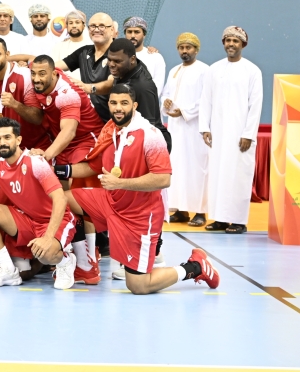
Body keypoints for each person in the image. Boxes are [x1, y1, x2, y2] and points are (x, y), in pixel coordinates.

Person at [66, 85, 220, 294]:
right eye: (113, 103)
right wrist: (55, 169)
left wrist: (120, 183)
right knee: (61, 198)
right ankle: (85, 264)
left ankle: (196, 267)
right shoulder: (110, 129)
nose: (118, 108)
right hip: (111, 203)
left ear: (134, 105)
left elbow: (163, 178)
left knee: (138, 285)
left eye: (124, 103)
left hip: (140, 216)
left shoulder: (150, 135)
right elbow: (93, 166)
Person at [0, 118, 78, 289]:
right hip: (27, 220)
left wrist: (47, 237)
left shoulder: (35, 162)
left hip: (54, 220)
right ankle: (8, 270)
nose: (2, 142)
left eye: (7, 137)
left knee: (45, 255)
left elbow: (60, 199)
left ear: (18, 140)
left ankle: (65, 261)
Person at [198, 26, 263, 234]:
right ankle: (219, 218)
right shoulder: (214, 69)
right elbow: (205, 100)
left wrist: (248, 134)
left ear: (243, 44)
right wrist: (204, 128)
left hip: (240, 135)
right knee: (217, 175)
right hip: (217, 133)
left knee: (238, 176)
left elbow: (255, 105)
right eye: (228, 40)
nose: (231, 44)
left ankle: (238, 221)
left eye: (235, 41)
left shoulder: (252, 71)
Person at [161, 33, 210, 226]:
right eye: (181, 47)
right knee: (178, 168)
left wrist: (184, 111)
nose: (184, 51)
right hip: (175, 128)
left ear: (196, 50)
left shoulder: (204, 70)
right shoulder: (174, 70)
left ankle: (200, 212)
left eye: (188, 47)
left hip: (195, 128)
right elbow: (166, 94)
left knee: (197, 169)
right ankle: (181, 210)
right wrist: (166, 104)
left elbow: (206, 99)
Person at [29, 55, 104, 169]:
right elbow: (30, 58)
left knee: (72, 177)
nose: (36, 79)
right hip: (60, 142)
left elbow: (69, 131)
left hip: (84, 140)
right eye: (33, 73)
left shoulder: (67, 94)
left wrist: (45, 156)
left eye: (42, 74)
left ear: (53, 74)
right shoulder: (40, 68)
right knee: (55, 177)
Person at [0, 38, 47, 150]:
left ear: (7, 54)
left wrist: (15, 104)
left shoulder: (25, 76)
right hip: (3, 151)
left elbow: (38, 118)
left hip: (35, 149)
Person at [105, 38, 171, 150]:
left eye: (117, 61)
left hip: (150, 146)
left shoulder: (142, 87)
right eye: (109, 60)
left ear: (132, 59)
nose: (111, 64)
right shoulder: (126, 68)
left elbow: (149, 129)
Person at [57, 12, 116, 122]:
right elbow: (55, 66)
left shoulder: (120, 53)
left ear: (112, 29)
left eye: (102, 26)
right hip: (90, 119)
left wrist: (89, 88)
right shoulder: (84, 52)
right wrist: (29, 63)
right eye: (93, 26)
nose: (96, 30)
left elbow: (111, 83)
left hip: (113, 121)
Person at [124, 17, 166, 95]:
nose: (132, 35)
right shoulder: (117, 56)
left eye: (137, 32)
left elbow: (157, 88)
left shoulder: (156, 58)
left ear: (144, 34)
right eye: (129, 32)